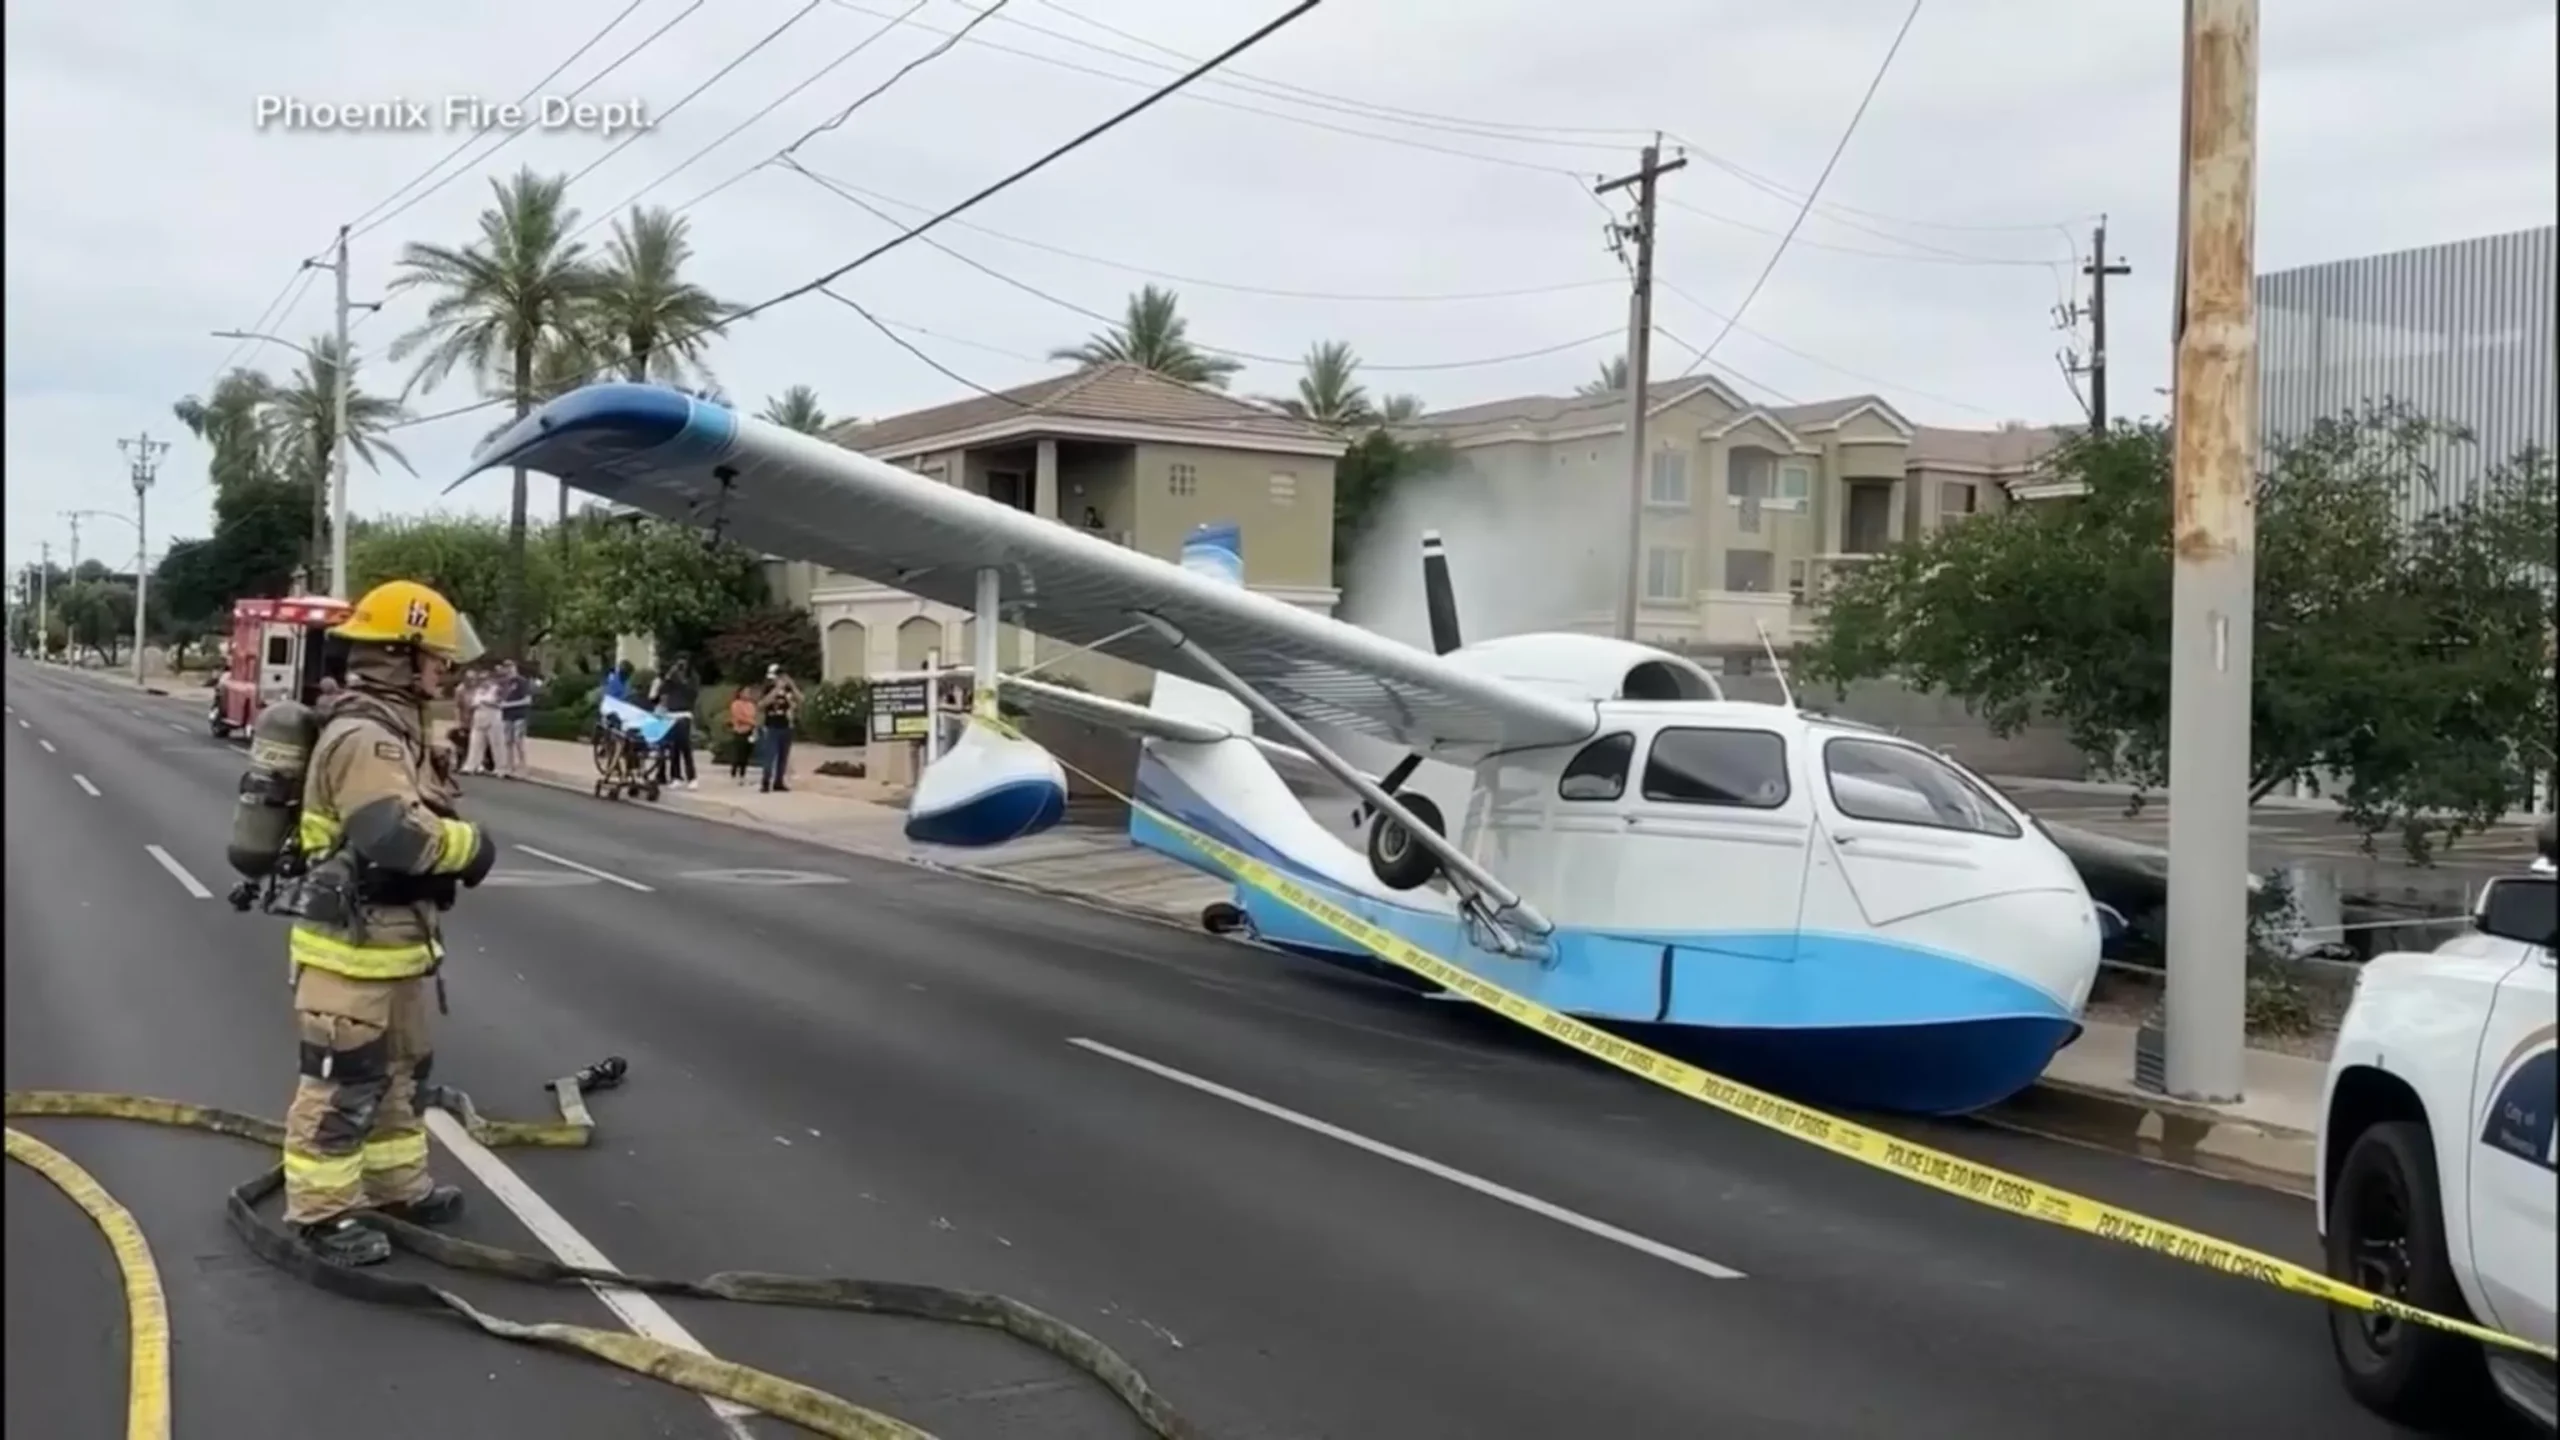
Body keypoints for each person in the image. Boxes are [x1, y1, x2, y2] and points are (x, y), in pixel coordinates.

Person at [280, 579, 499, 1267]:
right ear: (400, 657)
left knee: (402, 1075)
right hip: (349, 950)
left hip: (394, 943)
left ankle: (396, 1187)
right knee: (344, 1084)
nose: (446, 670)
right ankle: (322, 1215)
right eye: (437, 658)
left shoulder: (398, 730)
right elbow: (393, 835)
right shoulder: (366, 738)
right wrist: (472, 848)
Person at [649, 657, 700, 790]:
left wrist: (681, 680)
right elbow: (661, 691)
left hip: (684, 714)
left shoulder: (692, 679)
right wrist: (669, 677)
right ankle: (676, 776)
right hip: (671, 714)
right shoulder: (671, 680)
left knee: (685, 746)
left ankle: (692, 777)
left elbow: (692, 693)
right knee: (673, 747)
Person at [756, 663, 801, 794]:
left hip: (786, 725)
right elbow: (761, 704)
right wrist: (776, 689)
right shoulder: (768, 689)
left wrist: (792, 686)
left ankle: (779, 781)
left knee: (783, 756)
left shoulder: (788, 690)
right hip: (772, 726)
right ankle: (765, 781)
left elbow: (800, 700)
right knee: (770, 756)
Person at [462, 668, 506, 777]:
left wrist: (486, 702)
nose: (483, 681)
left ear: (490, 679)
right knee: (475, 743)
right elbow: (472, 704)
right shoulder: (478, 691)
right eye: (481, 679)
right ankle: (471, 766)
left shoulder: (496, 689)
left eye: (485, 679)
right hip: (479, 716)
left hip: (493, 716)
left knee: (496, 743)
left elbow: (500, 704)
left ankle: (500, 768)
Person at [496, 658, 535, 778]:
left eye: (510, 667)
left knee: (519, 741)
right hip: (507, 716)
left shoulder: (522, 681)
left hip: (519, 715)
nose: (509, 669)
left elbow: (527, 700)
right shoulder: (504, 683)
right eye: (506, 667)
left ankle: (523, 768)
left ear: (515, 668)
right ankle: (509, 766)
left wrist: (508, 705)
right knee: (508, 742)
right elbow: (499, 698)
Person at [725, 682, 760, 784]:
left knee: (746, 753)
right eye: (745, 692)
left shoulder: (751, 705)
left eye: (748, 692)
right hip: (740, 731)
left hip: (749, 731)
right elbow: (738, 717)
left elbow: (753, 716)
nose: (747, 694)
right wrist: (751, 722)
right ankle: (734, 771)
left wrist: (753, 724)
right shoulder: (736, 704)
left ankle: (742, 773)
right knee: (739, 753)